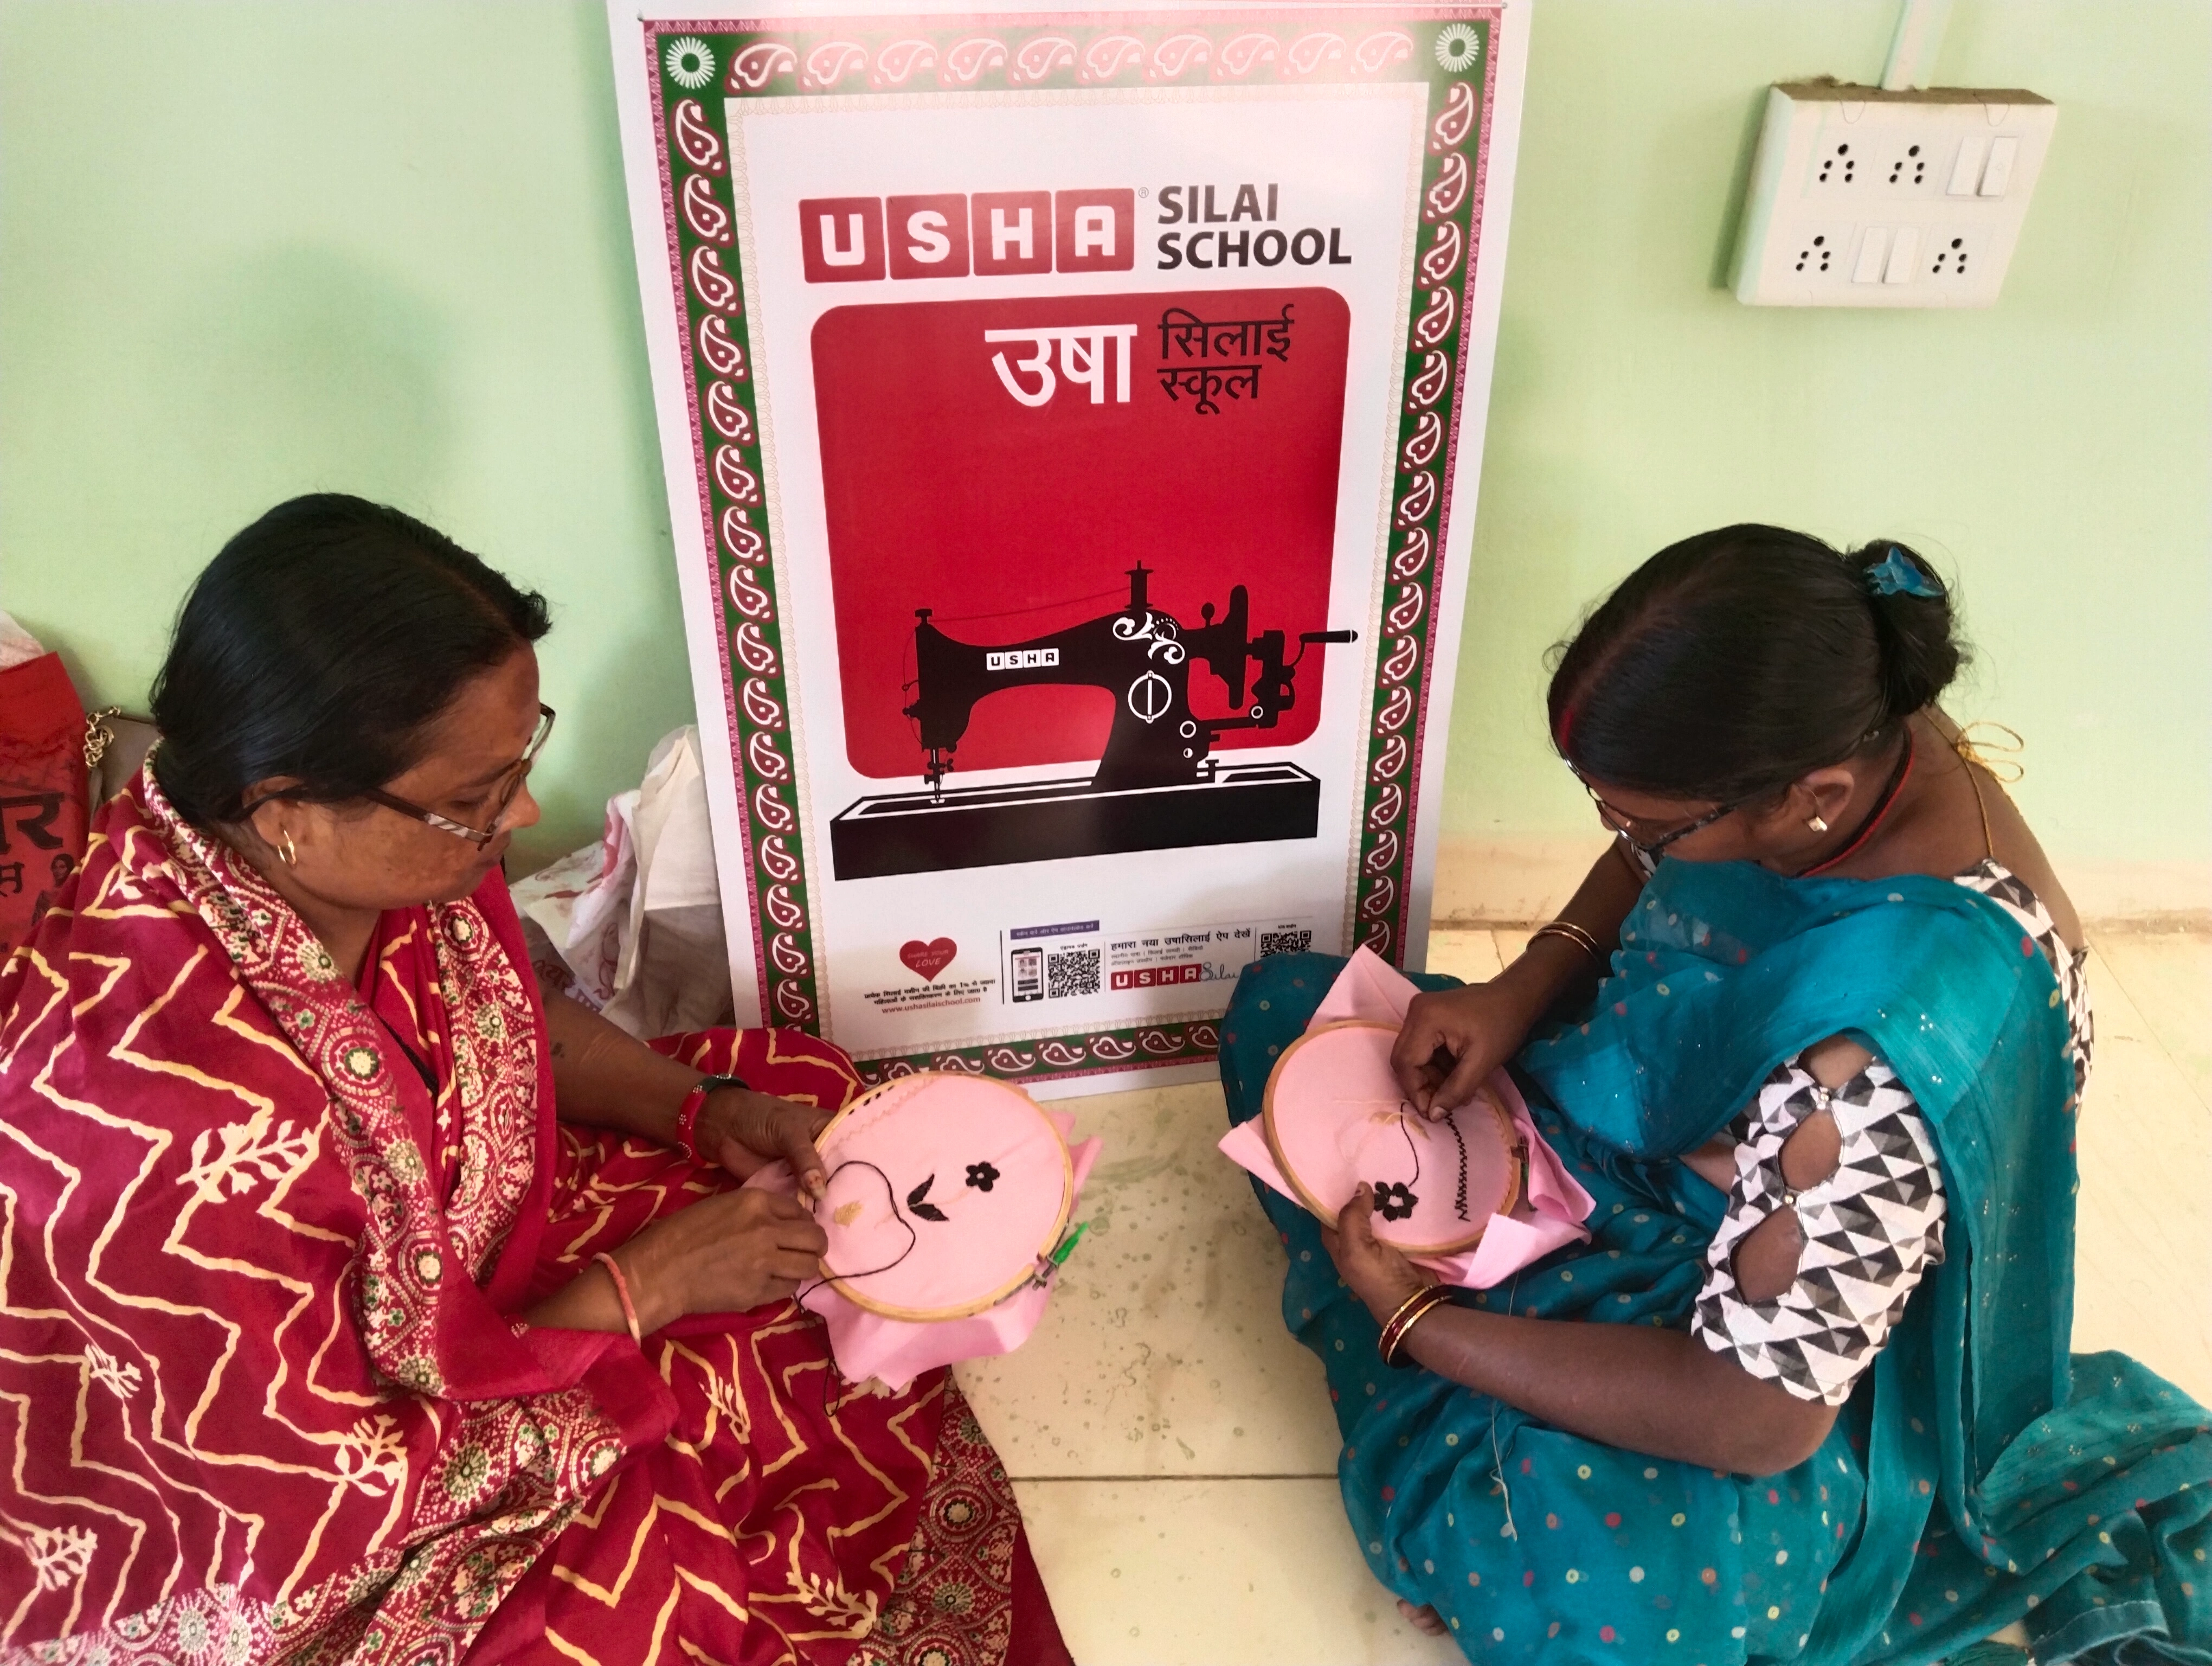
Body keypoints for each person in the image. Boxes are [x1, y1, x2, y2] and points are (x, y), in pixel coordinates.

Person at [0, 496, 1069, 1665]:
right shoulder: (179, 1141)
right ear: (289, 809)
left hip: (446, 1279)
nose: (523, 813)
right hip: (283, 1505)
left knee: (798, 1108)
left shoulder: (336, 859)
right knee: (644, 1558)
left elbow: (511, 1020)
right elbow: (335, 1499)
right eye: (474, 798)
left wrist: (701, 1113)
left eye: (517, 762)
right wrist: (644, 1286)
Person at [1220, 526, 2210, 1664]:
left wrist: (1419, 1320)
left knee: (1621, 1592)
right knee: (1290, 1015)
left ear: (1811, 798)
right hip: (1630, 1113)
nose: (1625, 840)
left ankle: (1447, 1399)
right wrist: (1522, 988)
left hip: (1734, 1303)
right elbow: (1656, 860)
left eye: (1640, 820)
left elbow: (1756, 1418)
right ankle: (1468, 1420)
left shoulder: (1877, 1062)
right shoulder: (1847, 729)